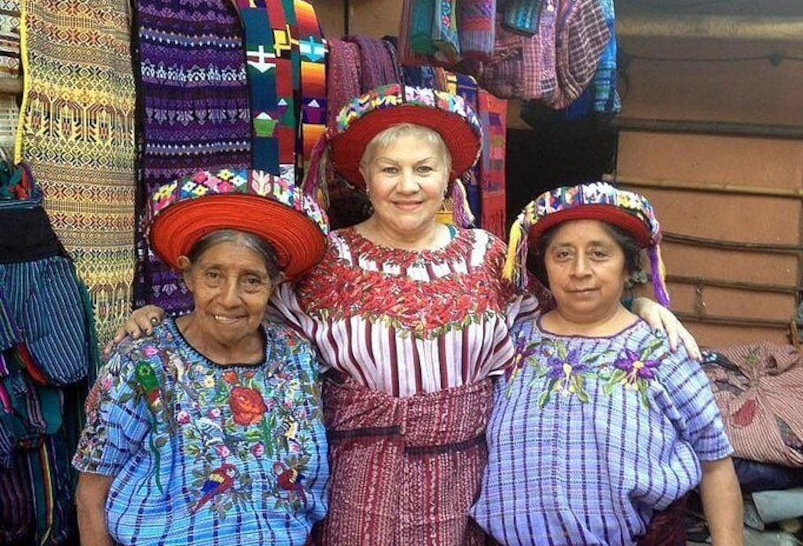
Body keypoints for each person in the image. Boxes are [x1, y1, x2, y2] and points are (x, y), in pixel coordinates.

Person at [114, 85, 699, 545]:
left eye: (424, 169)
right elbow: (243, 312)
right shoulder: (324, 257)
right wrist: (159, 316)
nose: (408, 185)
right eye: (390, 169)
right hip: (355, 476)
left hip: (467, 473)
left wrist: (638, 303)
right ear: (364, 178)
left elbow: (568, 317)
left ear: (451, 178)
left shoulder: (490, 258)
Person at [471, 182, 743, 546]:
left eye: (599, 254)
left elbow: (715, 463)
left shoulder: (662, 352)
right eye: (562, 254)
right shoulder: (511, 342)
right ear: (545, 265)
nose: (579, 270)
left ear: (628, 266)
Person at [74, 169, 331, 545]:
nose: (230, 298)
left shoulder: (296, 357)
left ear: (274, 286)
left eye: (252, 280)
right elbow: (91, 494)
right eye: (213, 275)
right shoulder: (143, 361)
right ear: (187, 275)